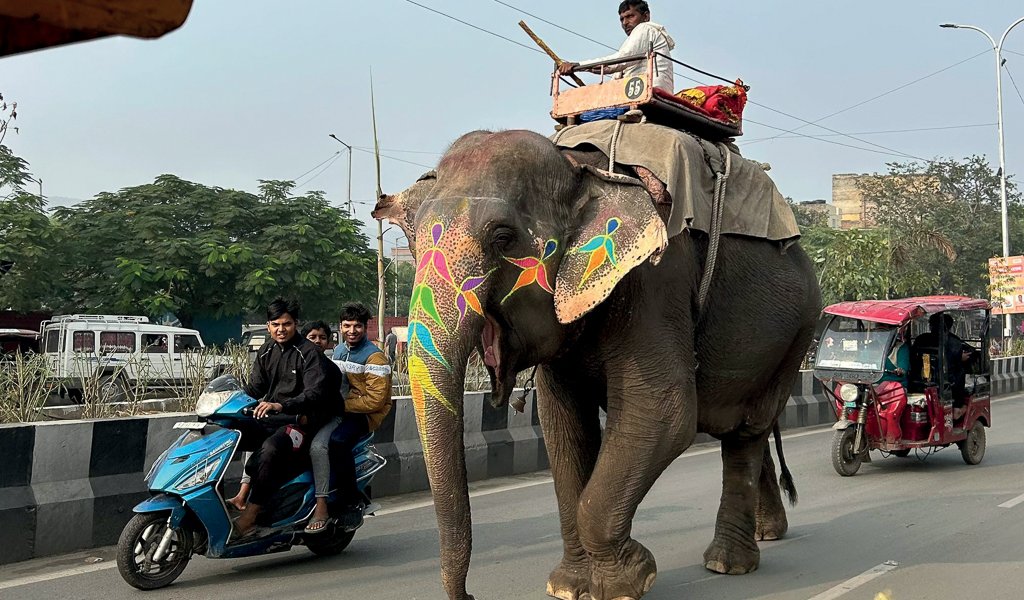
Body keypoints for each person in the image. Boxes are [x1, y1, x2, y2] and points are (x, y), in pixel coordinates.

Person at [231, 298, 328, 540]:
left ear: (296, 324)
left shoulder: (309, 353)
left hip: (300, 422)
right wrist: (228, 399)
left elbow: (314, 393)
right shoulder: (266, 350)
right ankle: (240, 496)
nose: (281, 329)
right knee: (234, 435)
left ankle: (251, 516)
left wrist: (281, 404)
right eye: (276, 324)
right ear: (268, 326)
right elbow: (254, 388)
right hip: (273, 419)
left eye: (286, 324)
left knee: (271, 449)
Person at [306, 302, 392, 533]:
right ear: (340, 327)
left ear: (365, 327)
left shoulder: (375, 358)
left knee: (337, 442)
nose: (352, 331)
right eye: (347, 326)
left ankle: (350, 501)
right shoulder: (339, 351)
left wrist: (339, 406)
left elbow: (374, 400)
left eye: (357, 326)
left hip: (364, 415)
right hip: (340, 410)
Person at [557, 1, 676, 93]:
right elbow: (617, 74)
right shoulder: (637, 38)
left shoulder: (645, 28)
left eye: (630, 16)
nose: (625, 22)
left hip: (648, 89)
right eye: (622, 19)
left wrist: (578, 66)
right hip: (638, 88)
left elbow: (619, 61)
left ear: (646, 16)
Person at [913, 313, 975, 420]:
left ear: (930, 325)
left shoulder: (921, 339)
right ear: (949, 326)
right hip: (944, 381)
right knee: (960, 371)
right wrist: (960, 358)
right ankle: (957, 407)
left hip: (918, 379)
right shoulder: (954, 341)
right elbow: (950, 363)